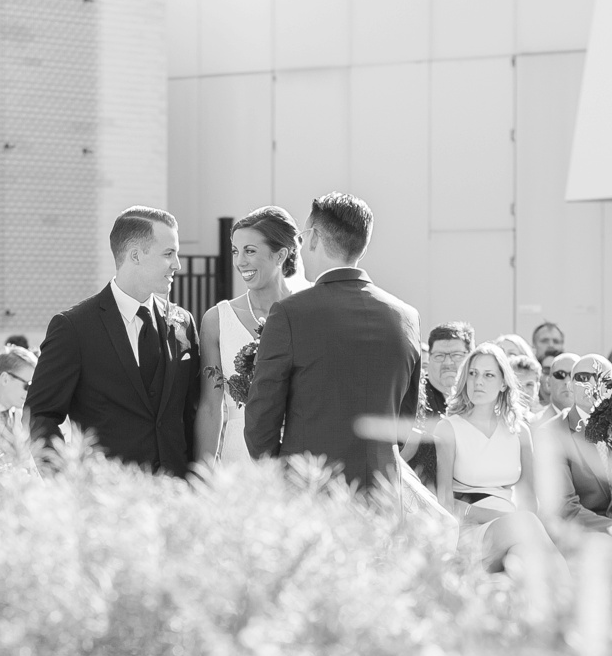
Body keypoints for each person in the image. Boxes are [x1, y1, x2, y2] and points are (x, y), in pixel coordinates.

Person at [244, 192, 421, 492]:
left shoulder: (290, 313)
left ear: (312, 238)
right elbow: (404, 420)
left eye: (301, 239)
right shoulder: (407, 317)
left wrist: (279, 471)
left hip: (309, 488)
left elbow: (262, 416)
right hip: (382, 488)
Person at [26, 206, 202, 476]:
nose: (177, 264)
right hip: (106, 500)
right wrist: (66, 482)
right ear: (135, 256)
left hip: (175, 497)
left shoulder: (183, 323)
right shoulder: (74, 328)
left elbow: (192, 413)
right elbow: (40, 416)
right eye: (169, 254)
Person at [431, 344, 556, 571]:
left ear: (503, 384)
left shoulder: (520, 431)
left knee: (523, 556)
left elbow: (530, 499)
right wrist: (499, 516)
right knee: (525, 526)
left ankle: (559, 602)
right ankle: (575, 600)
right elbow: (444, 501)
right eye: (473, 374)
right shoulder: (448, 428)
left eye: (488, 375)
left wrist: (511, 519)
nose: (478, 381)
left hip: (512, 528)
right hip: (468, 531)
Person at [197, 205, 302, 463]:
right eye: (235, 251)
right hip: (237, 456)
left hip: (296, 453)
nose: (239, 261)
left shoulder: (308, 314)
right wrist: (204, 479)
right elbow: (211, 408)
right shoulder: (217, 320)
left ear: (280, 256)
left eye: (250, 251)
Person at [537, 352, 612, 534]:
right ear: (570, 386)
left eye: (601, 377)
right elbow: (564, 508)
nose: (591, 384)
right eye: (582, 378)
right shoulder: (553, 433)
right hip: (581, 535)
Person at [408, 322, 474, 489]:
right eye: (439, 356)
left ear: (471, 357)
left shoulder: (481, 400)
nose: (448, 363)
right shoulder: (414, 397)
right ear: (428, 358)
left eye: (457, 355)